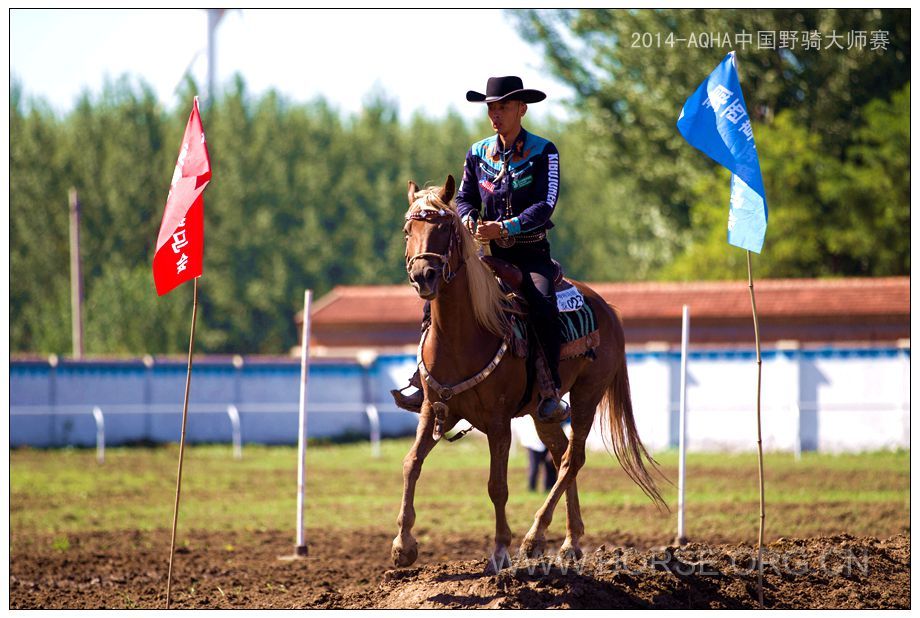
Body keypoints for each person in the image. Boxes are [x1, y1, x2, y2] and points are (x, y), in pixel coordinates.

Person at [392, 75, 568, 423]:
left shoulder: (544, 152)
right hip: (488, 257)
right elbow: (467, 197)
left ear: (522, 109)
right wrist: (471, 220)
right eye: (491, 107)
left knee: (543, 303)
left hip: (532, 256)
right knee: (439, 295)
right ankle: (421, 379)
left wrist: (504, 227)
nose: (495, 114)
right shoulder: (478, 152)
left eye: (502, 106)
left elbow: (545, 205)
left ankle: (550, 391)